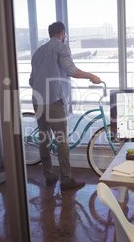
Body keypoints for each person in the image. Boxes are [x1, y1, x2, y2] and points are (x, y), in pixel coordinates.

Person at [29, 21, 101, 191]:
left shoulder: (38, 52)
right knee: (62, 142)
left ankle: (48, 176)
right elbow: (70, 70)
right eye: (64, 34)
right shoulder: (62, 48)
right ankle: (66, 180)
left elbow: (31, 80)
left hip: (37, 101)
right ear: (62, 32)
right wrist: (92, 76)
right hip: (54, 101)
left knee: (44, 139)